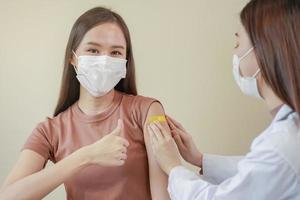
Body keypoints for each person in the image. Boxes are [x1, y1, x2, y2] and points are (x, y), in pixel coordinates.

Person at [0, 7, 171, 200]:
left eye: (115, 52)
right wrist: (86, 156)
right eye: (93, 50)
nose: (104, 60)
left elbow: (163, 196)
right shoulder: (50, 131)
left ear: (125, 60)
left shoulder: (148, 111)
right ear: (73, 57)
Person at [147, 0, 300, 199]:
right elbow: (257, 172)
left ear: (263, 51)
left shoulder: (282, 143)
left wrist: (173, 167)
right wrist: (200, 159)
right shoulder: (286, 136)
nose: (235, 54)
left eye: (237, 44)